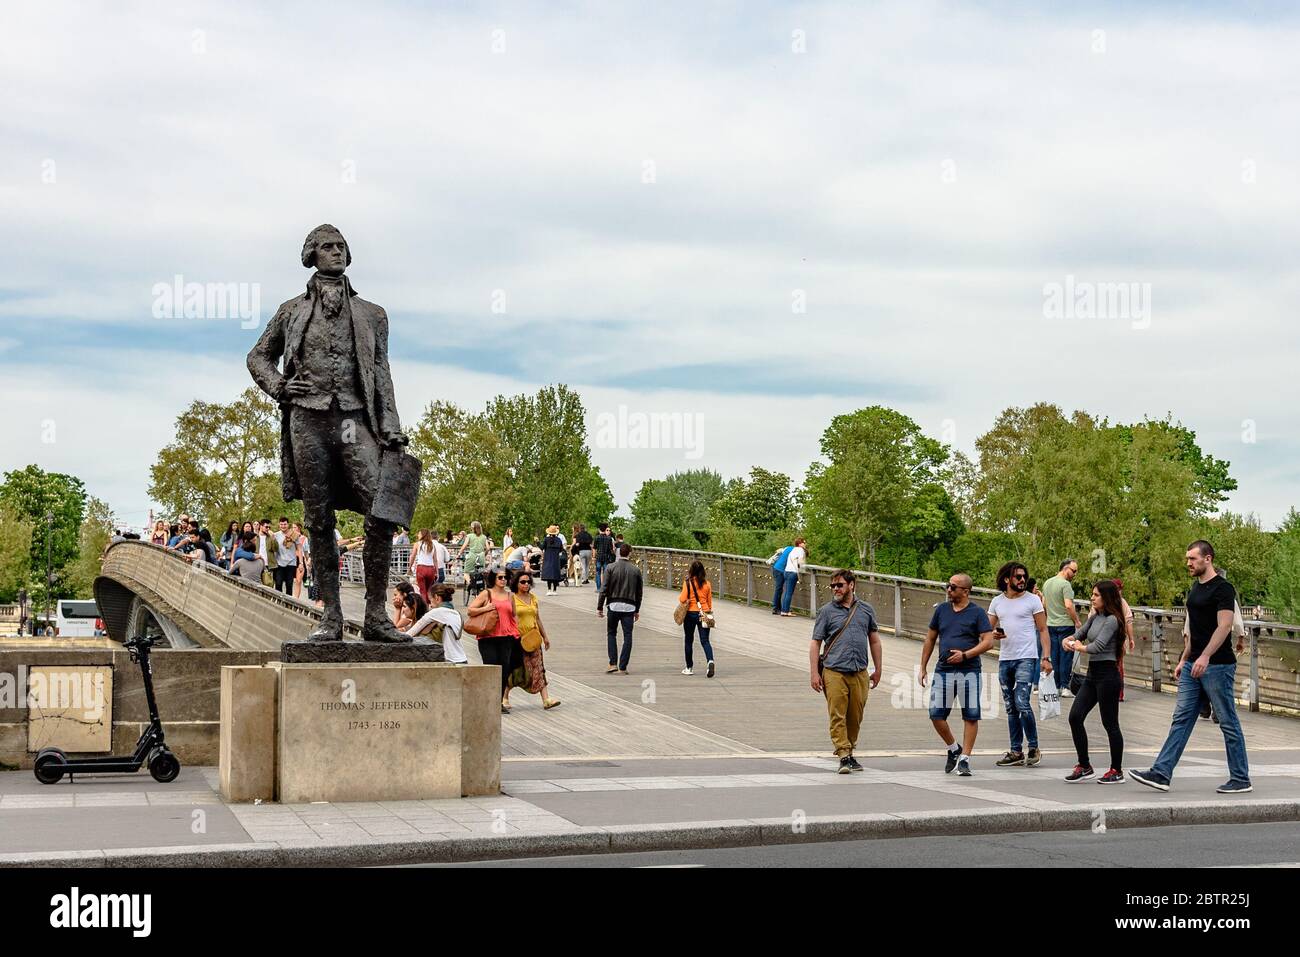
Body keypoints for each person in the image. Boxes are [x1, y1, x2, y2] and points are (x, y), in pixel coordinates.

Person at [1131, 541, 1252, 794]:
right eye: (1187, 558)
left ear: (1208, 559)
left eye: (1193, 558)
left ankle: (1240, 778)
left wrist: (1205, 656)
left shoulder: (1223, 589)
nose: (1188, 563)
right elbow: (1192, 629)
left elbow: (1224, 626)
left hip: (1217, 666)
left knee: (1227, 721)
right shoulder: (1195, 589)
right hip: (1192, 665)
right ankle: (1161, 773)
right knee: (1181, 719)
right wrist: (1185, 659)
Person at [809, 569, 883, 773]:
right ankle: (843, 754)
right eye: (832, 586)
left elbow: (874, 640)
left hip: (859, 670)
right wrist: (814, 673)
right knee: (837, 714)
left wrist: (878, 669)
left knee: (855, 715)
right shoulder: (826, 611)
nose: (835, 589)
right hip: (834, 670)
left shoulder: (866, 609)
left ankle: (850, 750)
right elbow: (815, 643)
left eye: (839, 585)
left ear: (851, 585)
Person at [920, 573, 993, 777]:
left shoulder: (977, 613)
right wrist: (922, 666)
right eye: (948, 586)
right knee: (936, 714)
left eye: (953, 587)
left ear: (965, 591)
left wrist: (965, 655)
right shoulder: (942, 610)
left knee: (970, 715)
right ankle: (954, 748)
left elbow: (988, 641)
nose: (948, 590)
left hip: (969, 669)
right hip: (943, 669)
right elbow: (930, 638)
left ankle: (965, 759)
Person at [1061, 580, 1127, 784]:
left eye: (1096, 595)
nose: (1092, 598)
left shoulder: (1113, 620)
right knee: (1075, 716)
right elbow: (1079, 634)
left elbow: (1097, 647)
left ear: (1106, 597)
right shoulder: (1095, 617)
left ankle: (1116, 770)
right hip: (1092, 675)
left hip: (1108, 676)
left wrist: (1077, 647)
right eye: (1092, 594)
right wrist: (1068, 639)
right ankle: (1084, 765)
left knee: (1110, 724)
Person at [988, 561, 1052, 767]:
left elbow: (1043, 629)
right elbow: (986, 629)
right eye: (1018, 577)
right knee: (1010, 706)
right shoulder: (997, 602)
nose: (1023, 580)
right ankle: (1016, 751)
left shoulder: (1033, 600)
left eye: (1024, 576)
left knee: (1022, 702)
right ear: (1007, 579)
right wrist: (994, 634)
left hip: (1027, 656)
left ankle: (1033, 747)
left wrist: (1046, 657)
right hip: (1005, 657)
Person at [467, 569, 524, 713]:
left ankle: (497, 702)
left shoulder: (510, 596)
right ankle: (489, 700)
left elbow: (514, 615)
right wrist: (485, 608)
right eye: (500, 577)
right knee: (491, 668)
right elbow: (470, 610)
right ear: (494, 579)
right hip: (488, 637)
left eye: (506, 577)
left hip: (506, 637)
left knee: (504, 670)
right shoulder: (487, 594)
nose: (503, 580)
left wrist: (518, 632)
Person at [504, 571, 562, 710]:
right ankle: (505, 697)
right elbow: (509, 617)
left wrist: (545, 637)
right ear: (516, 584)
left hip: (533, 638)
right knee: (515, 669)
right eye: (522, 582)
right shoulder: (512, 598)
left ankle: (546, 699)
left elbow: (537, 618)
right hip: (517, 639)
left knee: (539, 668)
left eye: (528, 582)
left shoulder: (533, 598)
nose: (526, 584)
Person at [597, 542, 642, 674]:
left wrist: (600, 606)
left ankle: (612, 663)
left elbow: (604, 589)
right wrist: (637, 609)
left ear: (618, 553)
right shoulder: (636, 570)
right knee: (628, 636)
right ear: (630, 553)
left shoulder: (610, 568)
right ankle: (623, 666)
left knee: (611, 633)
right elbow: (639, 593)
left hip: (613, 605)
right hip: (629, 606)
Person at [1043, 559, 1081, 699]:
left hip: (1051, 624)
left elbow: (1044, 604)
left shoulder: (1047, 583)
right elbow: (1069, 605)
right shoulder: (1065, 585)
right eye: (1074, 571)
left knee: (1055, 656)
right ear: (1065, 569)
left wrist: (1050, 616)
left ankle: (1056, 685)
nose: (1075, 574)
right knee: (1066, 656)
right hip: (1065, 624)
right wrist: (1076, 621)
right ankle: (1065, 687)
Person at [404, 582, 468, 663]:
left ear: (437, 598)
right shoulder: (456, 613)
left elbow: (412, 632)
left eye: (430, 600)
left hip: (450, 660)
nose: (430, 604)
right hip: (462, 658)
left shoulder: (437, 612)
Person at [679, 559, 717, 677]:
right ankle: (710, 661)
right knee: (705, 640)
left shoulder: (688, 582)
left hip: (690, 613)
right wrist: (708, 612)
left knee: (689, 640)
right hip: (704, 613)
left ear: (691, 570)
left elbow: (682, 599)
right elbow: (709, 602)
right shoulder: (707, 584)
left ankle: (689, 667)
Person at [412, 529, 440, 602]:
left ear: (422, 535)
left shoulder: (417, 544)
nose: (418, 535)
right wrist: (437, 572)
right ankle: (428, 606)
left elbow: (412, 556)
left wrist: (409, 567)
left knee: (422, 591)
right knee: (428, 590)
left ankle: (424, 609)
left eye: (419, 534)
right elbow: (435, 560)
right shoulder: (432, 545)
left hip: (421, 568)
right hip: (431, 569)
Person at [767, 541, 793, 615]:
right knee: (779, 589)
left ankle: (779, 608)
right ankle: (775, 608)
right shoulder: (795, 551)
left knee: (779, 589)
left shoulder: (788, 548)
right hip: (780, 570)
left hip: (776, 568)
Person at [540, 525, 566, 593]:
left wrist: (537, 542)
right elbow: (561, 549)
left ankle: (549, 590)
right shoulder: (559, 540)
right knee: (555, 574)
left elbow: (542, 547)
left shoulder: (546, 539)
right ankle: (554, 590)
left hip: (548, 558)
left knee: (549, 574)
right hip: (556, 559)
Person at [593, 523, 615, 591]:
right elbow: (611, 549)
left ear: (599, 529)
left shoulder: (597, 537)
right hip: (606, 557)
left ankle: (599, 588)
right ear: (605, 529)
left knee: (598, 572)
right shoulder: (609, 538)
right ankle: (605, 588)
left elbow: (594, 548)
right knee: (606, 573)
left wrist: (593, 557)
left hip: (599, 557)